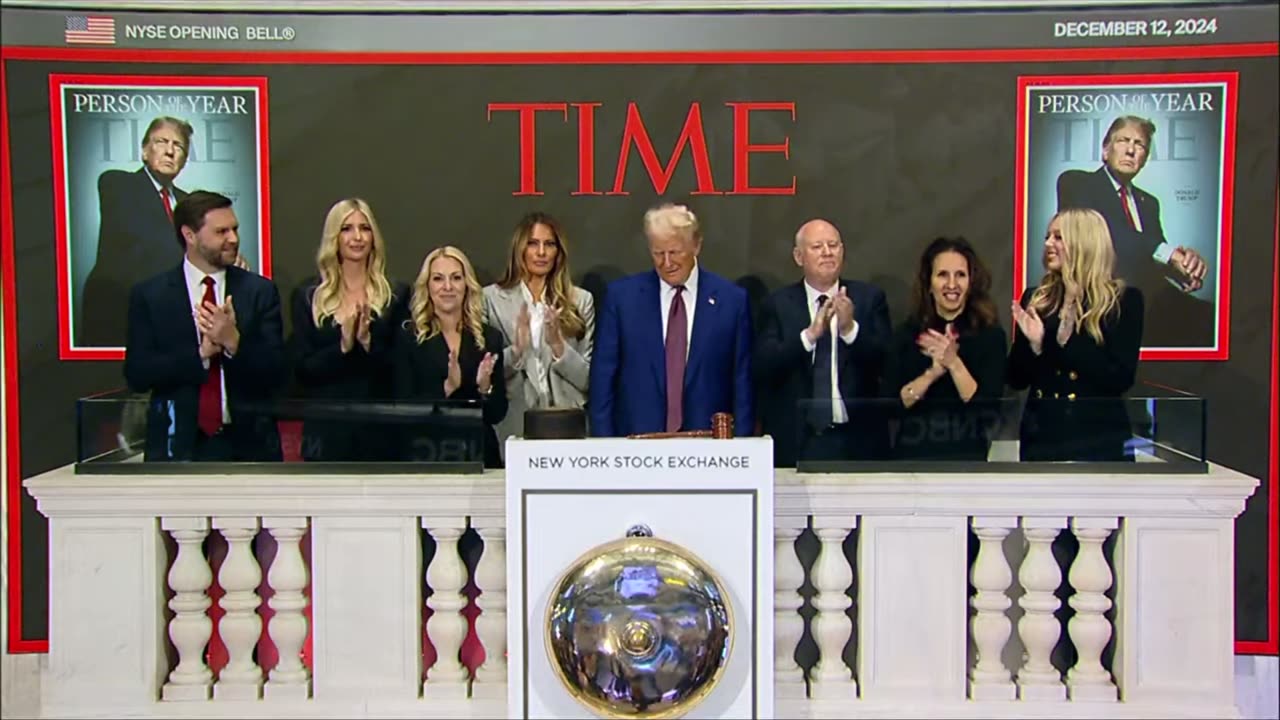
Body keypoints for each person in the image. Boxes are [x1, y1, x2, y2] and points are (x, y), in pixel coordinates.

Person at [123, 190, 286, 461]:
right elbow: (138, 374)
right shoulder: (151, 295)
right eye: (221, 231)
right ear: (190, 235)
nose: (233, 239)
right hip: (176, 447)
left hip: (247, 448)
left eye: (235, 229)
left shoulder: (259, 292)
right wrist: (200, 355)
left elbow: (277, 372)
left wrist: (234, 341)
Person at [82, 116, 249, 348]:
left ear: (184, 160)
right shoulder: (118, 183)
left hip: (167, 316)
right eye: (161, 141)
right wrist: (208, 254)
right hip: (117, 310)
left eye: (178, 145)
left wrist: (225, 258)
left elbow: (202, 245)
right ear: (144, 151)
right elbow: (146, 239)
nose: (170, 151)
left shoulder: (188, 203)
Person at [589, 203, 753, 437]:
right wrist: (604, 447)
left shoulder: (731, 301)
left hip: (709, 449)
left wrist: (742, 449)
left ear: (696, 245)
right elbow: (603, 380)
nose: (667, 263)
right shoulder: (622, 299)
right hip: (637, 446)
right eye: (658, 253)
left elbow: (742, 383)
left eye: (675, 252)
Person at [1056, 115, 1210, 349]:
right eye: (1123, 141)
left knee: (1207, 317)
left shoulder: (1149, 203)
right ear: (1105, 150)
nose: (1131, 150)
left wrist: (1186, 268)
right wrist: (1168, 253)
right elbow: (1105, 233)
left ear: (1145, 159)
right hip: (1098, 302)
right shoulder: (1075, 182)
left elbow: (1155, 254)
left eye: (1140, 145)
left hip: (1147, 303)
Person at [1008, 208, 1144, 461]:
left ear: (1085, 243)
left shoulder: (1124, 301)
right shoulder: (1038, 299)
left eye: (1058, 237)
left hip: (1098, 439)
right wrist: (1034, 346)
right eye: (1048, 236)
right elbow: (1016, 379)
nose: (1048, 243)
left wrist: (1067, 341)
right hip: (1042, 439)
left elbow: (1120, 378)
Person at [754, 219, 890, 466]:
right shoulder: (777, 304)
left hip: (857, 441)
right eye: (817, 246)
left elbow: (885, 363)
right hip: (797, 442)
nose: (827, 252)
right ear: (798, 256)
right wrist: (809, 336)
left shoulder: (869, 299)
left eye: (833, 245)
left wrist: (849, 330)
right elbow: (764, 366)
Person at [290, 198, 409, 461]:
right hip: (325, 432)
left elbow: (401, 369)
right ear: (334, 237)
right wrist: (342, 347)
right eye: (347, 229)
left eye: (365, 228)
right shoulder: (308, 296)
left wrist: (367, 343)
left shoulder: (395, 295)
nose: (357, 237)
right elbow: (302, 371)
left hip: (379, 432)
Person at [886, 237, 1007, 461]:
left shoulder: (990, 337)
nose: (952, 284)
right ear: (929, 284)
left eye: (960, 275)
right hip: (911, 459)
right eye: (942, 275)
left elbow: (987, 413)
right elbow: (893, 404)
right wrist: (932, 374)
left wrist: (954, 363)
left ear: (971, 282)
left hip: (966, 459)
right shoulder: (906, 334)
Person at [483, 212, 594, 454]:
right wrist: (517, 350)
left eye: (549, 244)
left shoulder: (580, 301)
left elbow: (588, 379)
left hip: (567, 428)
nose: (541, 252)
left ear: (559, 252)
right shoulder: (490, 299)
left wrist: (558, 346)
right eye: (533, 243)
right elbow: (486, 377)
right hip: (514, 424)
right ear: (519, 248)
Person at [392, 246, 507, 468]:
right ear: (428, 286)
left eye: (456, 278)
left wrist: (485, 389)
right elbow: (402, 407)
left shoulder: (489, 338)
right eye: (438, 279)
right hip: (426, 453)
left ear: (467, 285)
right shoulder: (409, 338)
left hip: (479, 453)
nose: (447, 287)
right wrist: (445, 389)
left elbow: (497, 413)